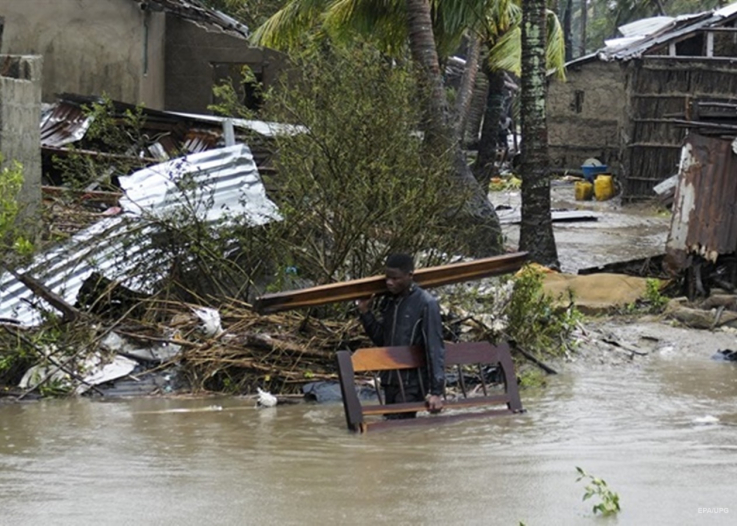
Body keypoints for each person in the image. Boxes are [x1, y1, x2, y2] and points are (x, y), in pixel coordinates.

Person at [356, 253, 445, 418]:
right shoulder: (390, 301)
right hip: (390, 379)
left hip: (412, 382)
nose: (389, 282)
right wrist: (365, 312)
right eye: (387, 278)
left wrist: (436, 391)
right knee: (392, 428)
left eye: (395, 278)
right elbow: (382, 340)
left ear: (410, 276)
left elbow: (434, 347)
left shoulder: (426, 303)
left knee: (399, 426)